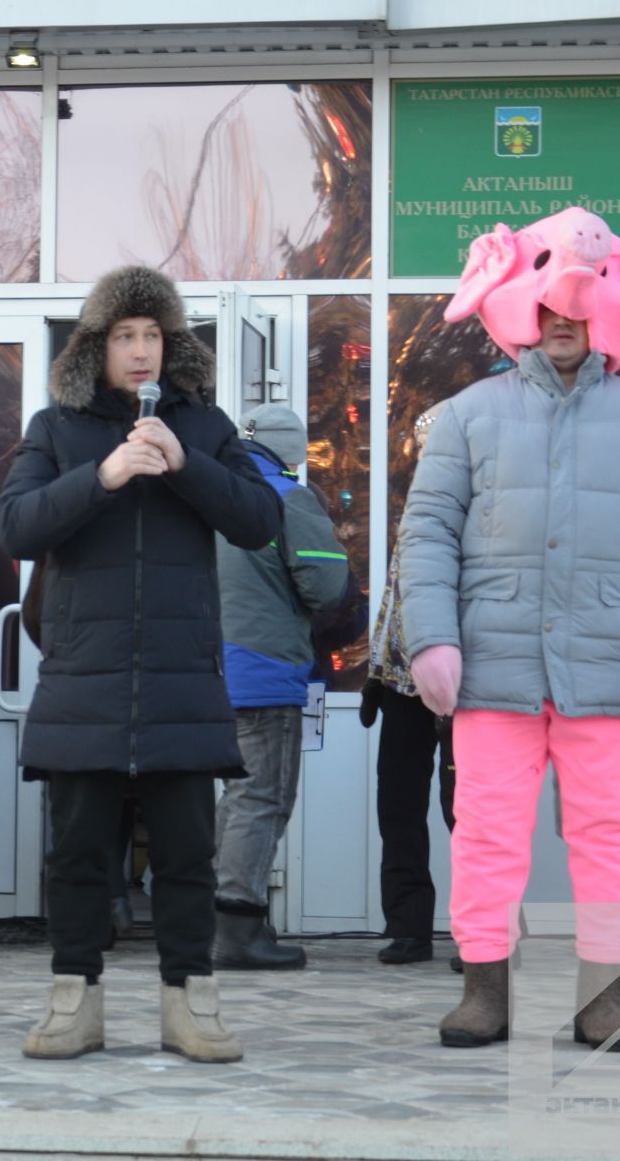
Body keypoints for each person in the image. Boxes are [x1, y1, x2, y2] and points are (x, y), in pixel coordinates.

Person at [401, 207, 620, 1052]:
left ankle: (602, 998)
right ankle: (484, 991)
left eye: (580, 307)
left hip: (610, 676)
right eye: (549, 306)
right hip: (495, 672)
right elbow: (425, 533)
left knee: (614, 842)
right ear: (522, 309)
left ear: (608, 314)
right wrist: (431, 637)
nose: (563, 321)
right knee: (487, 836)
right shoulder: (468, 417)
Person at [0, 264, 281, 1064]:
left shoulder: (209, 425)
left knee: (188, 856)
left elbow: (260, 520)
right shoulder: (58, 428)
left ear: (172, 343)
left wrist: (187, 463)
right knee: (78, 855)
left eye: (154, 335)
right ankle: (72, 1004)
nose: (141, 351)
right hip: (85, 677)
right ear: (98, 345)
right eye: (125, 335)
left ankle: (193, 1007)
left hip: (181, 678)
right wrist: (107, 474)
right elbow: (13, 527)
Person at [211, 402, 348, 971]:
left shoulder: (212, 494)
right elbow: (328, 584)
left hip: (209, 670)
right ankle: (238, 929)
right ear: (290, 449)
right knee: (262, 796)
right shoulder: (287, 496)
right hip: (265, 670)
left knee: (235, 798)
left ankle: (214, 917)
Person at [364, 402, 456, 967]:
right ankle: (408, 927)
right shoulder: (417, 510)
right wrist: (378, 670)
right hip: (402, 684)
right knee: (397, 807)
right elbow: (396, 598)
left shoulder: (484, 512)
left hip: (467, 688)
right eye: (422, 452)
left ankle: (486, 934)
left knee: (472, 813)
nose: (426, 461)